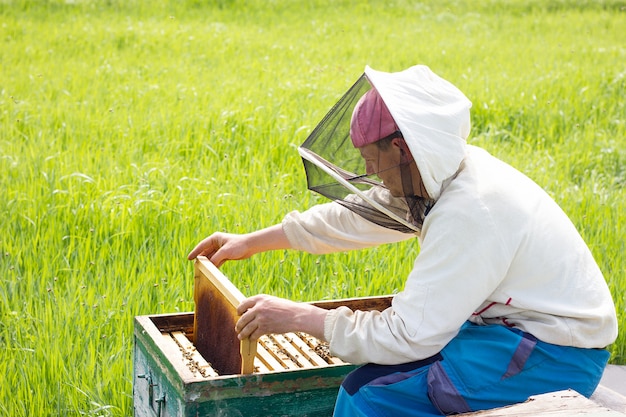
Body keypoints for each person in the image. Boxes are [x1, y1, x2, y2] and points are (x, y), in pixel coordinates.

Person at [188, 65, 618, 416]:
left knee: (369, 397)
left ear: (402, 147)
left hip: (554, 354)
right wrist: (251, 241)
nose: (377, 180)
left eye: (377, 166)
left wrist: (300, 317)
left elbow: (409, 335)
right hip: (515, 330)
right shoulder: (446, 176)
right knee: (381, 375)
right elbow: (355, 218)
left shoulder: (470, 213)